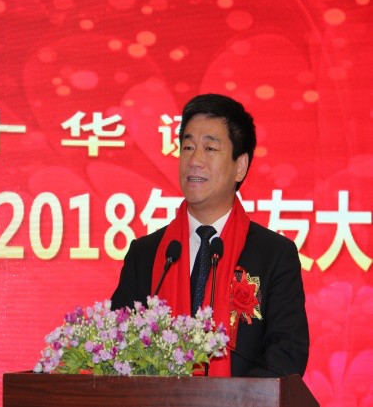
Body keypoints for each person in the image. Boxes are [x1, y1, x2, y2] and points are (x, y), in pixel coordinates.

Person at [111, 94, 309, 377]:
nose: (194, 160)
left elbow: (287, 354)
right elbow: (116, 345)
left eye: (210, 148)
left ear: (240, 165)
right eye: (188, 147)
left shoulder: (274, 255)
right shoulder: (145, 255)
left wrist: (229, 397)